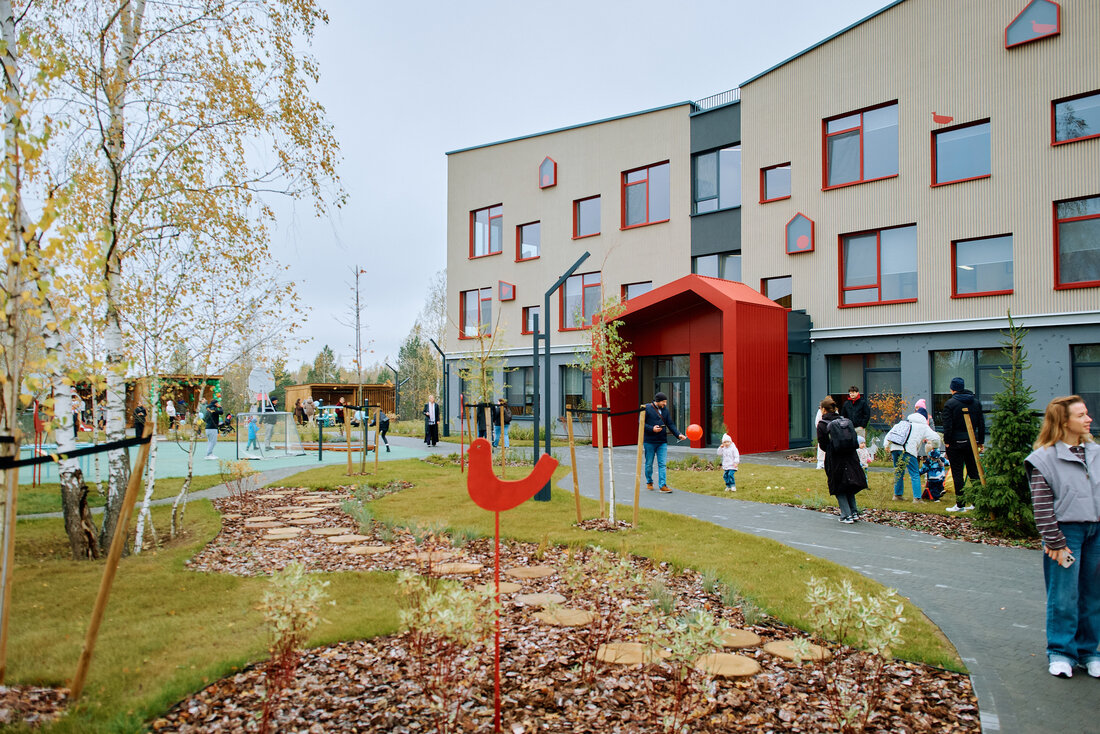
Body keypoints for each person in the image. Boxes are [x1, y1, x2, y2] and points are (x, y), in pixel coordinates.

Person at [1024, 395, 1099, 679]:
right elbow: (1042, 506)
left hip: (1097, 533)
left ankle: (1089, 652)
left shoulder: (1096, 453)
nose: (1088, 419)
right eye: (1081, 415)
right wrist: (1055, 541)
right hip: (1066, 535)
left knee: (1093, 595)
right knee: (1064, 595)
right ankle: (1061, 652)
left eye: (1087, 413)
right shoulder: (1044, 459)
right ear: (1064, 422)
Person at [817, 395, 867, 523]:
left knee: (838, 485)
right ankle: (854, 512)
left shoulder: (822, 424)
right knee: (849, 483)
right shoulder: (845, 421)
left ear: (823, 410)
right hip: (850, 456)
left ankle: (846, 515)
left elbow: (823, 444)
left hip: (835, 457)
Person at [941, 376, 984, 512]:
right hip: (971, 441)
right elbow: (981, 423)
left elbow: (947, 426)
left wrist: (947, 441)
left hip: (955, 442)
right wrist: (981, 441)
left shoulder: (950, 404)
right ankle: (977, 502)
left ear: (952, 389)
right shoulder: (976, 403)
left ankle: (960, 505)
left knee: (957, 473)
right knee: (973, 472)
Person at [888, 409, 940, 501]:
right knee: (915, 473)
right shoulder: (923, 426)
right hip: (908, 450)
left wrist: (887, 446)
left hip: (895, 448)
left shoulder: (903, 422)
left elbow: (890, 434)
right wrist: (935, 448)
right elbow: (936, 438)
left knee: (899, 471)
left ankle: (897, 495)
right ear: (924, 417)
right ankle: (917, 498)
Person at [644, 391, 686, 494]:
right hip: (649, 441)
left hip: (662, 441)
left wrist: (678, 434)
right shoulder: (646, 408)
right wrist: (652, 429)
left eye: (666, 402)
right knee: (649, 464)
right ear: (657, 401)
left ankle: (662, 485)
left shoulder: (665, 410)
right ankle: (649, 481)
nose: (665, 404)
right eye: (663, 402)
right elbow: (641, 423)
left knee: (662, 464)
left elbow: (670, 424)